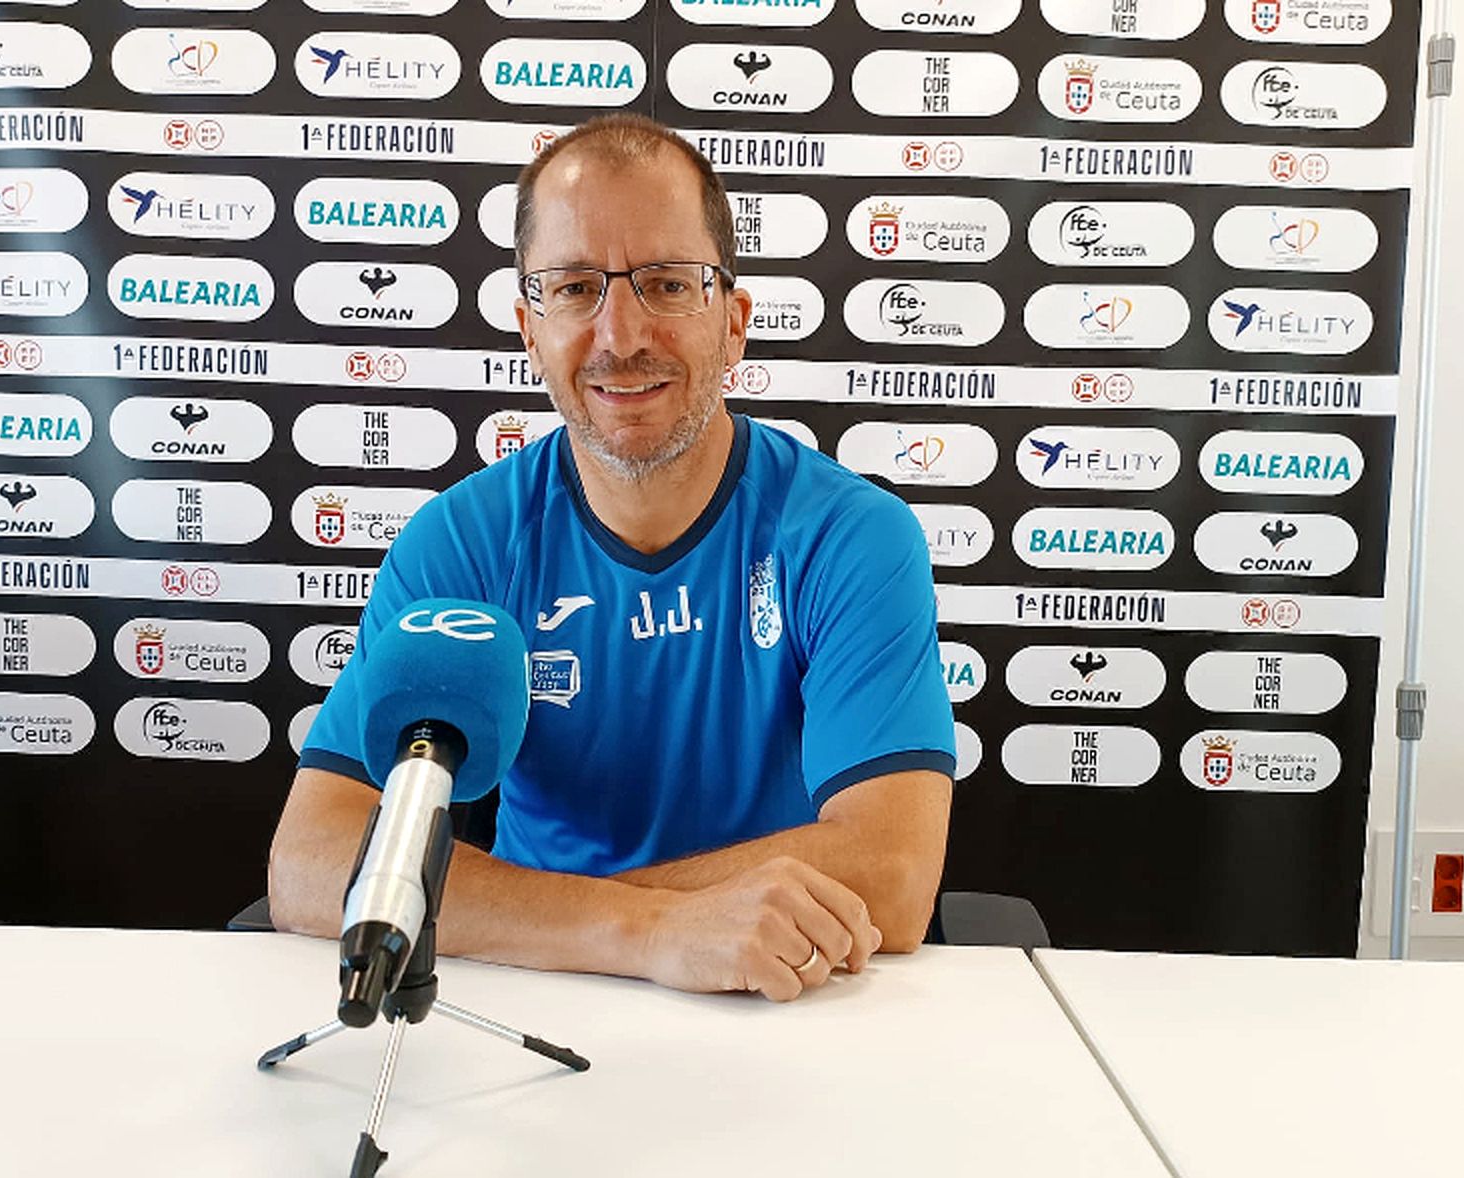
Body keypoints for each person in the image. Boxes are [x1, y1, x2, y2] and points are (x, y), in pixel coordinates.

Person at [269, 114, 955, 1003]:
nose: (620, 333)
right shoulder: (460, 541)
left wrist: (524, 911)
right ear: (528, 326)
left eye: (668, 284)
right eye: (574, 287)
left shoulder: (849, 535)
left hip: (782, 992)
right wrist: (649, 931)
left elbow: (892, 873)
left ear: (734, 321)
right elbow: (310, 863)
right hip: (530, 994)